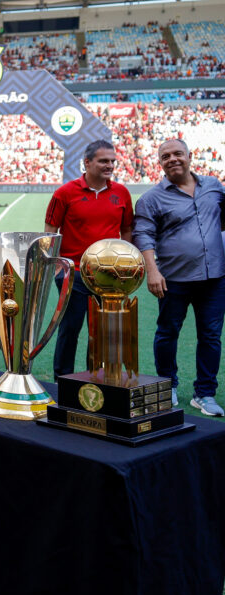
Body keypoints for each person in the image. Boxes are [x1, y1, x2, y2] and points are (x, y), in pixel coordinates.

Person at [133, 139, 225, 414]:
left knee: (211, 336)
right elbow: (143, 235)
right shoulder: (151, 198)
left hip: (215, 277)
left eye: (177, 154)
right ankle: (167, 385)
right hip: (173, 278)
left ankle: (205, 394)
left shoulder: (214, 187)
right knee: (167, 333)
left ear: (189, 156)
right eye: (165, 156)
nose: (172, 159)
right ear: (159, 162)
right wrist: (152, 270)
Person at [44, 139, 133, 378]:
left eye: (112, 161)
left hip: (109, 276)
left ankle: (96, 377)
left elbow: (127, 231)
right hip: (73, 273)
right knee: (70, 328)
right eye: (104, 161)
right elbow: (50, 231)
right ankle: (63, 379)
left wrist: (125, 266)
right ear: (87, 162)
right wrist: (55, 268)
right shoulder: (65, 193)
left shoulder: (122, 193)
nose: (110, 165)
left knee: (103, 332)